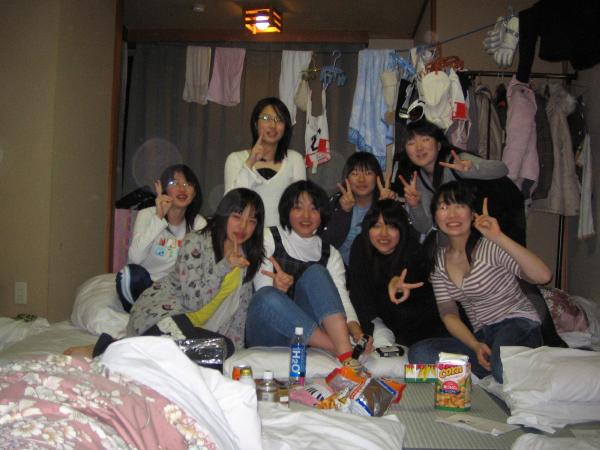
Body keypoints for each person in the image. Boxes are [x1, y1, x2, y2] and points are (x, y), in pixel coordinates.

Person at [66, 188, 265, 365]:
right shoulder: (196, 242)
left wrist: (239, 359)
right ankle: (108, 348)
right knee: (204, 352)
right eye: (237, 216)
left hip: (194, 330)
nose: (243, 226)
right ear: (224, 215)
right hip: (165, 316)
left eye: (252, 221)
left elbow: (239, 314)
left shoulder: (246, 260)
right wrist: (224, 266)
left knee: (222, 349)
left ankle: (137, 351)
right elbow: (193, 300)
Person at [408, 181, 552, 383]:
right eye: (444, 207)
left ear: (472, 213)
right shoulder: (439, 261)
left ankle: (491, 369)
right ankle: (486, 370)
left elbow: (543, 276)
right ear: (435, 217)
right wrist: (475, 345)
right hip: (482, 337)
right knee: (419, 355)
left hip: (518, 325)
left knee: (502, 368)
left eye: (460, 205)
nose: (452, 214)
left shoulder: (490, 247)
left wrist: (498, 237)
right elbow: (448, 314)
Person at [246, 180, 372, 371]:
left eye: (313, 209)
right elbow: (263, 294)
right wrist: (277, 288)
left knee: (316, 272)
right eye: (298, 207)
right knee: (266, 296)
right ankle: (343, 350)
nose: (306, 215)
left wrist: (356, 332)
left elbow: (341, 301)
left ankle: (347, 358)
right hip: (268, 333)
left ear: (322, 214)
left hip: (309, 341)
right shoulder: (268, 237)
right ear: (287, 211)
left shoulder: (330, 254)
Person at [348, 199, 448, 347]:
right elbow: (358, 294)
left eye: (391, 226)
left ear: (402, 230)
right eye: (376, 226)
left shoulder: (412, 250)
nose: (383, 234)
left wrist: (395, 282)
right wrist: (365, 334)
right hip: (389, 328)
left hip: (427, 327)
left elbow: (408, 274)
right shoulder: (360, 246)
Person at [397, 119, 513, 239]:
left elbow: (502, 168)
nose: (419, 147)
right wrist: (415, 206)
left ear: (438, 145)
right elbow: (425, 227)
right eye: (411, 143)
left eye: (425, 139)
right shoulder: (418, 179)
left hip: (502, 225)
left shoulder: (457, 161)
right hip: (471, 235)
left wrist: (471, 170)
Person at [116, 164, 206, 312]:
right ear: (164, 189)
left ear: (195, 192)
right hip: (145, 285)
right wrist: (158, 217)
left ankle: (159, 312)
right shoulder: (147, 215)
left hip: (175, 289)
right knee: (129, 275)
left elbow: (197, 268)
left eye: (187, 184)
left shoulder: (199, 223)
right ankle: (142, 312)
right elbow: (135, 259)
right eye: (174, 183)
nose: (182, 189)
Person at [224, 97, 306, 227]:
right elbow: (231, 203)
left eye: (279, 120)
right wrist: (250, 163)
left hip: (283, 236)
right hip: (246, 234)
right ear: (255, 123)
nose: (273, 125)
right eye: (267, 118)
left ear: (285, 127)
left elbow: (301, 205)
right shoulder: (235, 159)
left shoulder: (295, 159)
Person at [322, 152, 398, 266]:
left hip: (375, 268)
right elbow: (326, 244)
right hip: (338, 269)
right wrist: (343, 212)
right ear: (347, 178)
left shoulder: (388, 202)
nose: (361, 179)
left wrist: (385, 208)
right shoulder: (336, 203)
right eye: (355, 173)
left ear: (377, 177)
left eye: (368, 173)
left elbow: (395, 246)